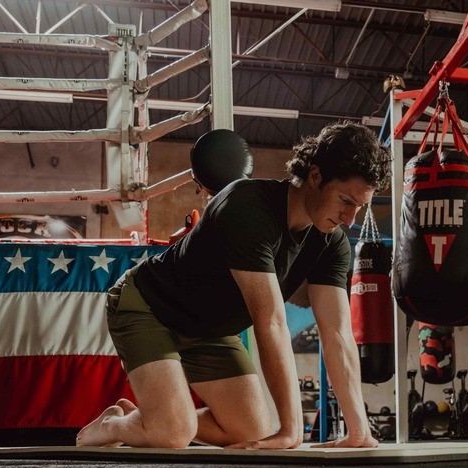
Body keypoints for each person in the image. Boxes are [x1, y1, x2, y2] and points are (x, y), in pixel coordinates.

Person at [77, 121, 390, 450]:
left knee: (247, 430)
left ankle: (152, 418)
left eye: (360, 206)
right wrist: (291, 430)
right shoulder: (247, 208)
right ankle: (117, 425)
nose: (350, 218)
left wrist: (358, 430)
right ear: (314, 177)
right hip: (150, 308)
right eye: (345, 201)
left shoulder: (331, 243)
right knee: (172, 435)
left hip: (210, 330)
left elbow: (338, 333)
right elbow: (269, 320)